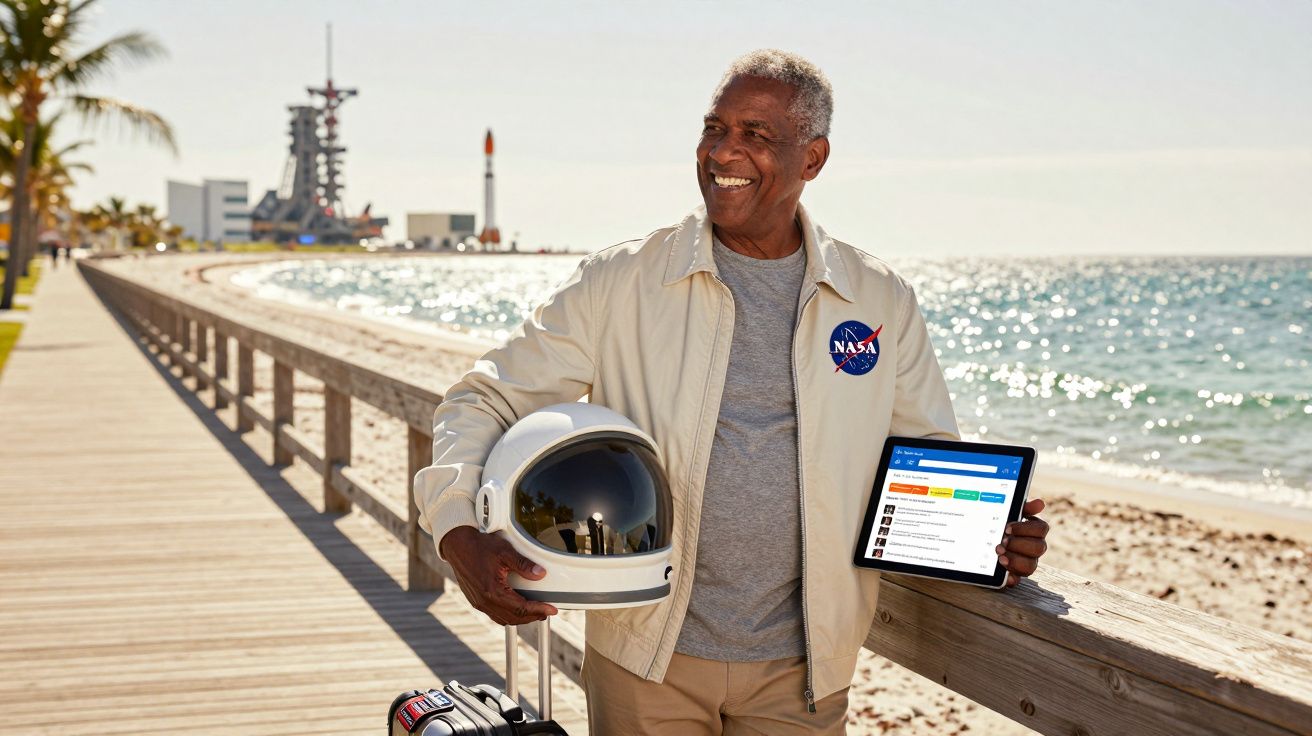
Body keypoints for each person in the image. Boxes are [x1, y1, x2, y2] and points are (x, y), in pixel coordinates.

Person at [414, 49, 1051, 735]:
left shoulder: (878, 300)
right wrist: (455, 530)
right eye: (715, 128)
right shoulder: (621, 280)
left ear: (812, 159)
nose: (723, 151)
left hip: (804, 673)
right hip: (646, 658)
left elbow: (925, 456)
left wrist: (988, 541)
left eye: (755, 134)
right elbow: (485, 400)